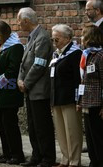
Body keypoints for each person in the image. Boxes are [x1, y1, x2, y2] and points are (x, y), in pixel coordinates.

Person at [17, 7, 56, 167]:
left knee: (42, 126)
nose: (18, 24)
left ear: (26, 21)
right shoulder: (32, 37)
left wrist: (26, 82)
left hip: (39, 89)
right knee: (32, 126)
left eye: (19, 20)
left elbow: (39, 64)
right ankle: (36, 155)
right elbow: (24, 63)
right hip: (29, 89)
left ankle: (47, 157)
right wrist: (20, 79)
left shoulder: (42, 37)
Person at [0, 20, 25, 165]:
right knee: (1, 125)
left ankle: (17, 154)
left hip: (9, 92)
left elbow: (13, 70)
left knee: (10, 124)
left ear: (5, 34)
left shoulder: (15, 47)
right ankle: (6, 153)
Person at [50, 24, 83, 167]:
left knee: (72, 131)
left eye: (56, 39)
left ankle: (74, 161)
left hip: (69, 98)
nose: (54, 42)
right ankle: (65, 158)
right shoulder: (56, 53)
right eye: (53, 39)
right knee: (61, 131)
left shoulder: (75, 54)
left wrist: (78, 99)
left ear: (68, 38)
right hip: (57, 98)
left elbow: (78, 78)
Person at [78, 24, 103, 167]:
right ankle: (93, 162)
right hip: (86, 101)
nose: (81, 38)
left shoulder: (100, 56)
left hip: (97, 103)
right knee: (90, 136)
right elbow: (84, 80)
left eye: (83, 35)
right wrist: (79, 100)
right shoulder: (87, 55)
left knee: (98, 137)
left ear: (90, 37)